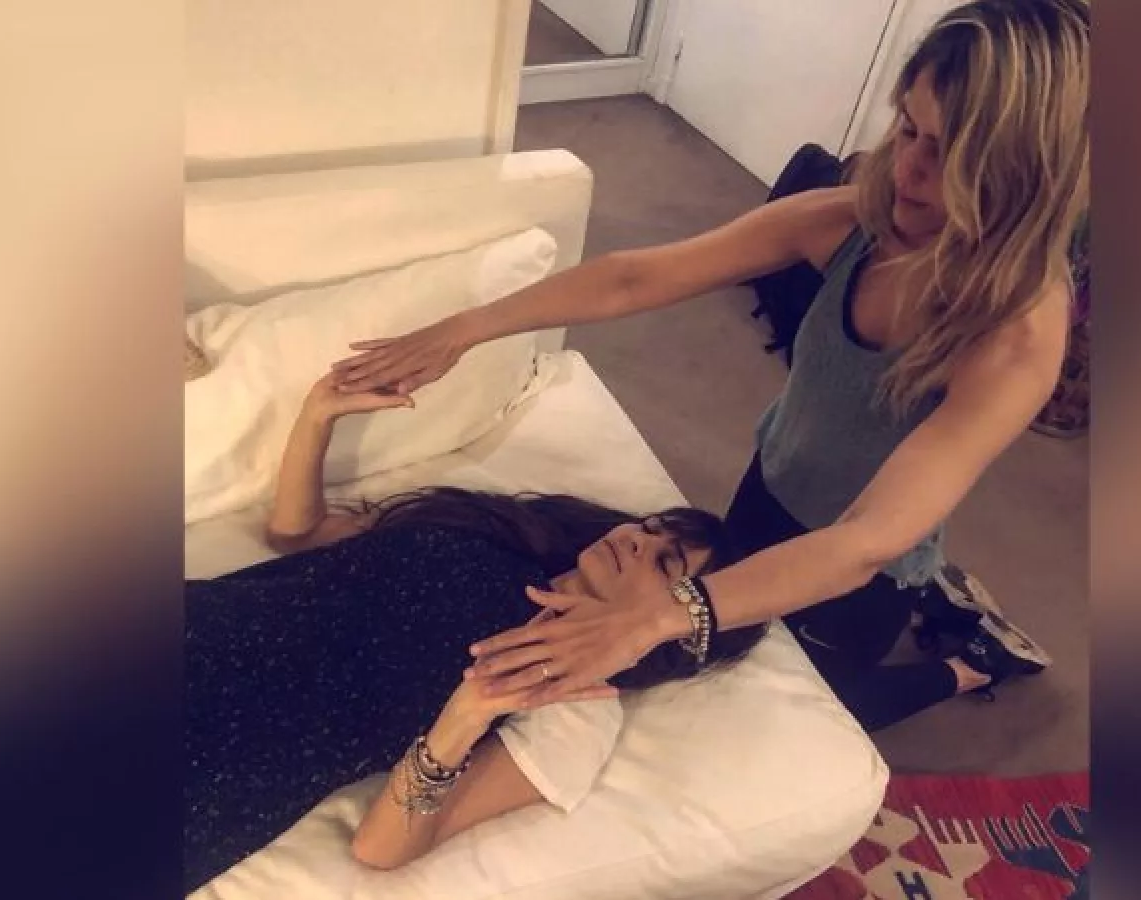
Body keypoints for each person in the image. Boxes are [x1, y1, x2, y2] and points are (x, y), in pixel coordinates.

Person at [331, 0, 1088, 731]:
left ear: (1023, 176)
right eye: (910, 127)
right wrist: (467, 328)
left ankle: (971, 663)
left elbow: (863, 542)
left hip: (865, 562)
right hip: (771, 483)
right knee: (722, 661)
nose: (909, 172)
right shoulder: (856, 217)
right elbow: (639, 277)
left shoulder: (1015, 337)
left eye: (950, 154)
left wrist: (659, 617)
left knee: (822, 707)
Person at [184, 373, 767, 891]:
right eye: (653, 527)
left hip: (218, 761)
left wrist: (464, 715)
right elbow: (297, 536)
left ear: (674, 631)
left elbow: (381, 849)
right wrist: (317, 415)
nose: (639, 540)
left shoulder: (579, 705)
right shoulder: (497, 531)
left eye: (666, 563)